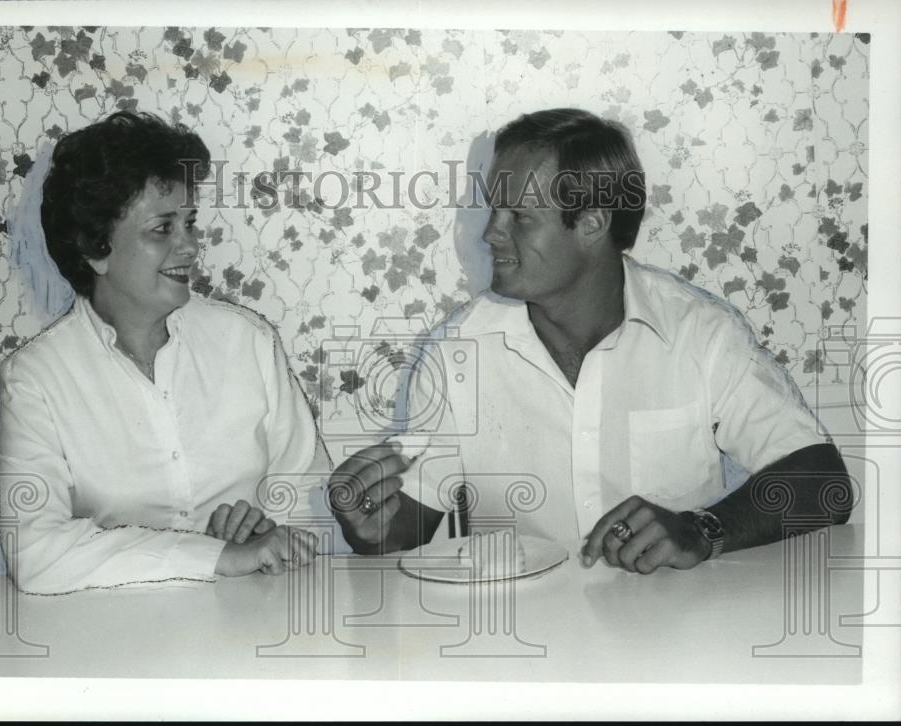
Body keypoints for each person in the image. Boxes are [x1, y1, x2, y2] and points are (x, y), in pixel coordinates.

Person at [328, 108, 853, 574]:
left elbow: (823, 482)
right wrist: (369, 527)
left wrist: (702, 529)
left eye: (519, 216)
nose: (491, 233)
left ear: (592, 223)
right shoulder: (456, 351)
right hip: (518, 648)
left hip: (676, 647)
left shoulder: (701, 334)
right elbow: (409, 528)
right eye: (494, 210)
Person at [0, 111, 328, 593]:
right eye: (163, 228)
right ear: (95, 249)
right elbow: (36, 554)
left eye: (190, 223)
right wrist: (214, 556)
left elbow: (312, 504)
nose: (191, 247)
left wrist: (270, 533)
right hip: (116, 641)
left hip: (255, 626)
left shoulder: (248, 340)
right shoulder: (35, 378)